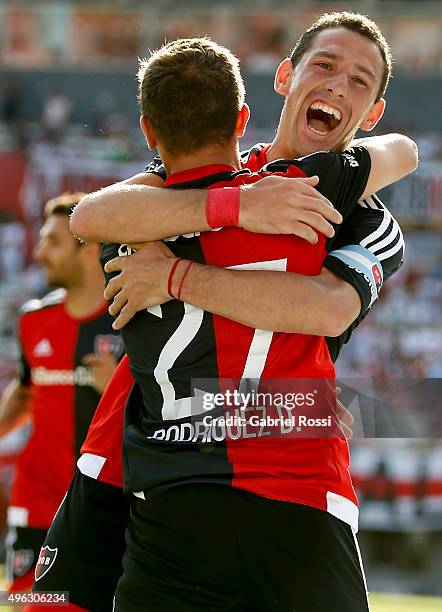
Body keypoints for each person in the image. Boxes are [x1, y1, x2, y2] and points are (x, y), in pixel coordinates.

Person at [37, 13, 411, 612]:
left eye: (360, 81)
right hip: (128, 455)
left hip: (233, 468)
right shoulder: (216, 173)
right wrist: (235, 205)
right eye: (325, 65)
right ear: (284, 77)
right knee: (52, 604)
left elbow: (331, 309)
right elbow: (94, 215)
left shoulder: (364, 217)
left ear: (371, 114)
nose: (339, 85)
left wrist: (175, 276)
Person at [0, 193, 122, 593]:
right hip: (37, 504)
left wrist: (123, 387)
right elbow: (26, 388)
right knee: (37, 604)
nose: (38, 253)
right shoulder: (34, 319)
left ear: (88, 248)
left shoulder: (129, 320)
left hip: (103, 505)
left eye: (52, 241)